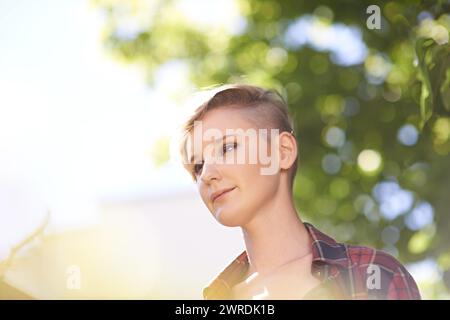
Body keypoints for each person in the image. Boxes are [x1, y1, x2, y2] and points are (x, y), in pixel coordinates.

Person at [178, 84, 421, 300]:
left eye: (227, 147)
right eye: (197, 166)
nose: (207, 174)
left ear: (282, 152)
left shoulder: (372, 274)